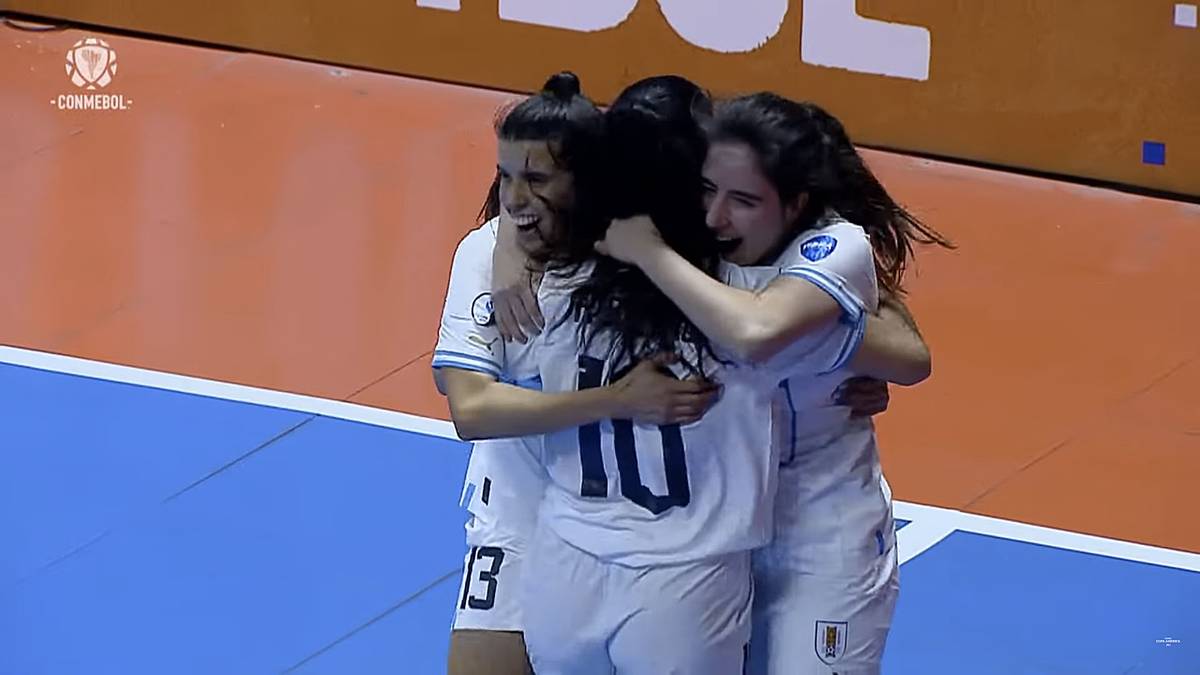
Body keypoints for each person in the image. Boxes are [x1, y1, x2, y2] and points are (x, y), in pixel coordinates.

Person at [511, 76, 931, 675]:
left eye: (743, 199)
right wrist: (507, 248)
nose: (716, 215)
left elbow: (879, 348)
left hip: (815, 530)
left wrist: (648, 251)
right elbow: (556, 179)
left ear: (796, 202)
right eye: (707, 189)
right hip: (721, 533)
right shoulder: (702, 255)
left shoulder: (824, 252)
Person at [432, 73, 720, 675]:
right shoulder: (484, 254)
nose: (514, 198)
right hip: (513, 519)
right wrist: (617, 399)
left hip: (634, 533)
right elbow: (471, 409)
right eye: (506, 176)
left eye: (536, 180)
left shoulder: (628, 253)